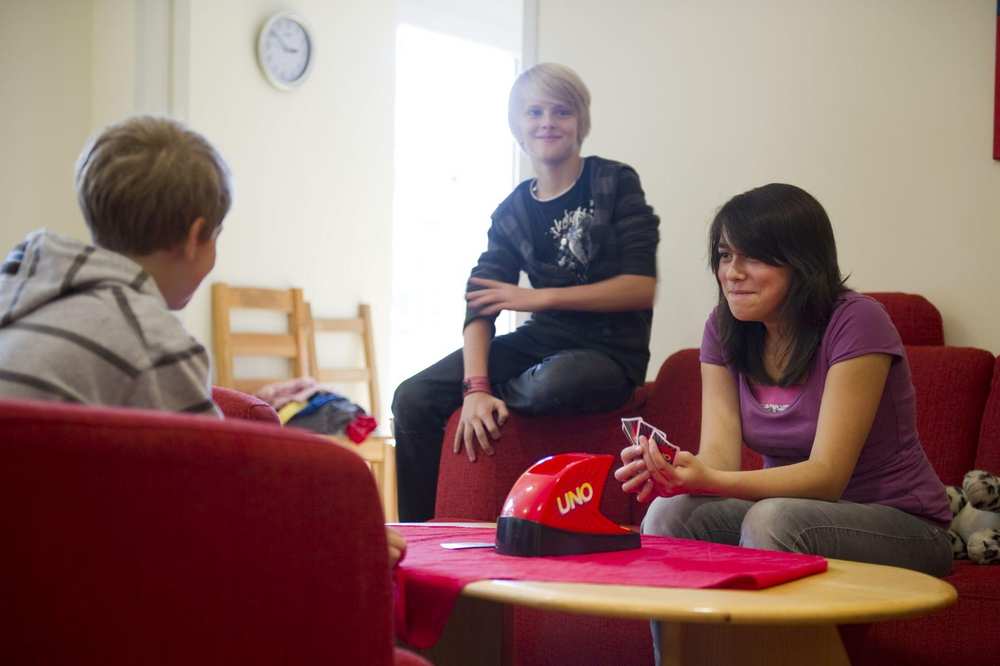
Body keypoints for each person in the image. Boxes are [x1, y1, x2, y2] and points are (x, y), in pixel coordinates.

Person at [0, 115, 409, 567]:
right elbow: (219, 509)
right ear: (197, 237)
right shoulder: (150, 340)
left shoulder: (22, 292)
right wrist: (340, 536)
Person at [616, 182, 952, 663]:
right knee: (670, 514)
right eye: (725, 255)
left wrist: (711, 478)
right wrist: (677, 472)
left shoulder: (857, 321)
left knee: (775, 517)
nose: (732, 273)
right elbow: (720, 459)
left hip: (902, 524)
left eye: (753, 258)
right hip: (789, 514)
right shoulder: (723, 328)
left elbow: (826, 477)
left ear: (802, 263)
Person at [392, 63, 660, 522]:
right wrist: (475, 388)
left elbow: (640, 288)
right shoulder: (512, 210)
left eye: (561, 111)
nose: (547, 123)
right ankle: (418, 541)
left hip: (610, 352)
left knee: (552, 383)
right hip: (542, 344)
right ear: (518, 127)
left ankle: (502, 398)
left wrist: (539, 298)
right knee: (412, 397)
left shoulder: (614, 182)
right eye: (534, 112)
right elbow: (480, 299)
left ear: (581, 123)